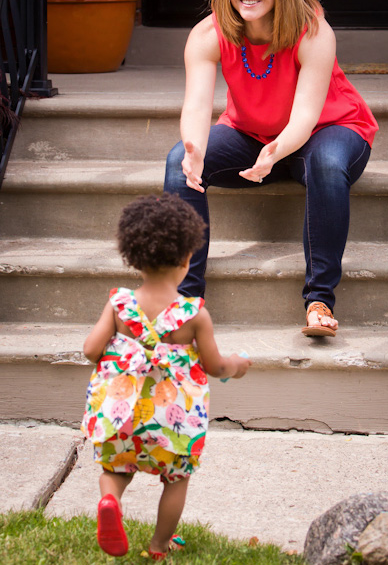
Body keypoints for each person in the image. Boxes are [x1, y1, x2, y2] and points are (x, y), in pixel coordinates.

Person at [163, 0, 378, 338]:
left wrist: (277, 150)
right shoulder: (209, 35)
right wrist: (194, 147)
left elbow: (305, 116)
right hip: (250, 134)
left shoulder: (313, 31)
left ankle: (319, 301)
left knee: (328, 164)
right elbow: (195, 106)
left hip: (328, 130)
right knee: (178, 162)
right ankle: (186, 301)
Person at [81, 194, 252, 559]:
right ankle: (159, 545)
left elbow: (90, 350)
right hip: (171, 423)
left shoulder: (119, 304)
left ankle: (110, 500)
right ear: (188, 258)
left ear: (132, 256)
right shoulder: (194, 314)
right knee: (177, 479)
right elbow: (216, 366)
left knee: (117, 467)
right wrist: (236, 365)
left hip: (120, 417)